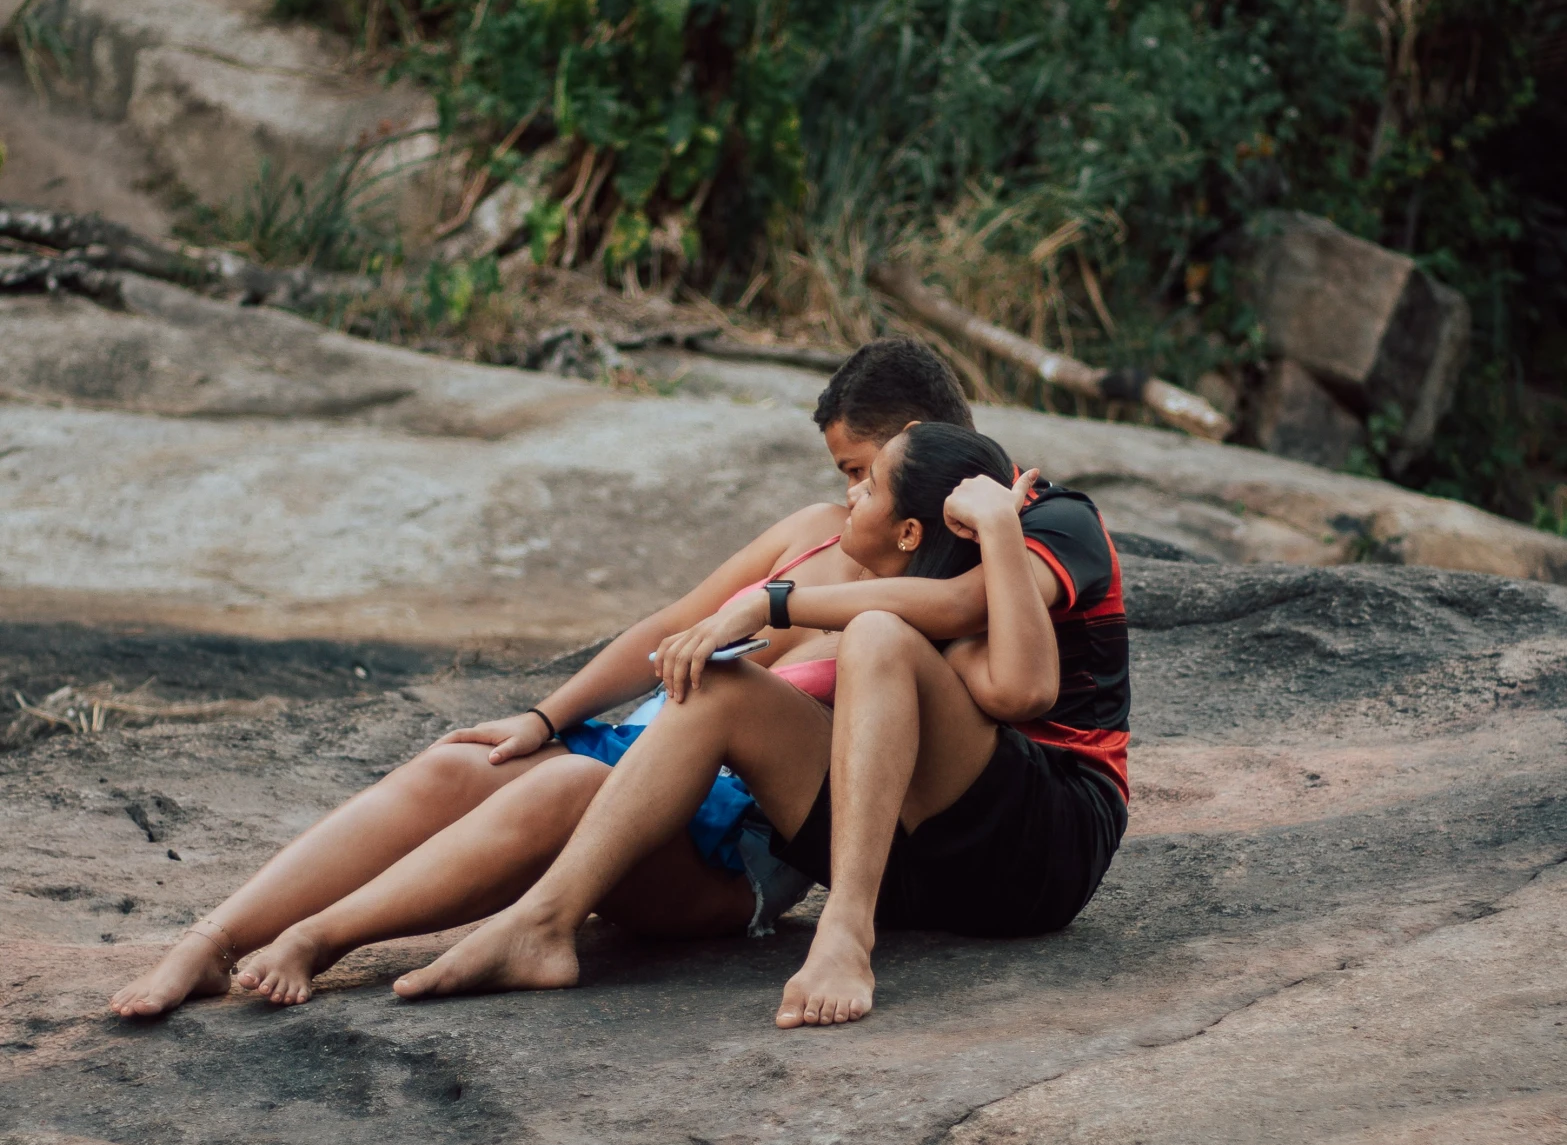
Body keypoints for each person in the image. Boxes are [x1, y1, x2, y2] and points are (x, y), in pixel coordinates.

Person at [108, 338, 974, 1018]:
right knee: (464, 765)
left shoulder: (936, 601)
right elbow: (668, 626)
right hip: (632, 755)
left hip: (729, 849)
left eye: (864, 474)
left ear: (925, 458)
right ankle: (213, 938)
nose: (852, 493)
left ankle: (317, 940)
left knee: (564, 788)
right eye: (844, 475)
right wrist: (543, 714)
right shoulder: (813, 531)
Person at [390, 423, 1129, 1029]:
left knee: (876, 633)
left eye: (864, 478)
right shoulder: (919, 586)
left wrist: (995, 522)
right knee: (722, 687)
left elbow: (1023, 686)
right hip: (921, 868)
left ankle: (845, 930)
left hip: (1044, 850)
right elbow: (949, 610)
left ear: (913, 524)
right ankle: (544, 923)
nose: (847, 495)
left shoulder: (1055, 518)